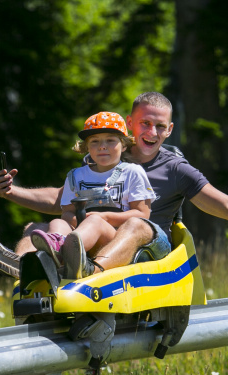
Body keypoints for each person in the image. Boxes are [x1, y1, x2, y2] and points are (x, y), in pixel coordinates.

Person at [0, 92, 228, 278]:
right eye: (145, 124)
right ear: (129, 125)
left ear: (169, 130)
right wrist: (13, 193)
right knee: (38, 227)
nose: (151, 133)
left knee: (134, 223)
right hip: (98, 236)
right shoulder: (104, 155)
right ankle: (26, 265)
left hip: (146, 245)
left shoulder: (175, 170)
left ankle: (91, 274)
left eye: (160, 127)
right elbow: (63, 198)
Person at [29, 111, 157, 278]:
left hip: (115, 240)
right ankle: (58, 255)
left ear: (124, 145)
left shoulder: (132, 172)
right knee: (57, 223)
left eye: (110, 140)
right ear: (87, 147)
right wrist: (78, 222)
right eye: (95, 142)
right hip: (82, 233)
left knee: (95, 221)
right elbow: (67, 212)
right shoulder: (75, 176)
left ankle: (67, 255)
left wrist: (103, 218)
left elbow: (142, 213)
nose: (102, 146)